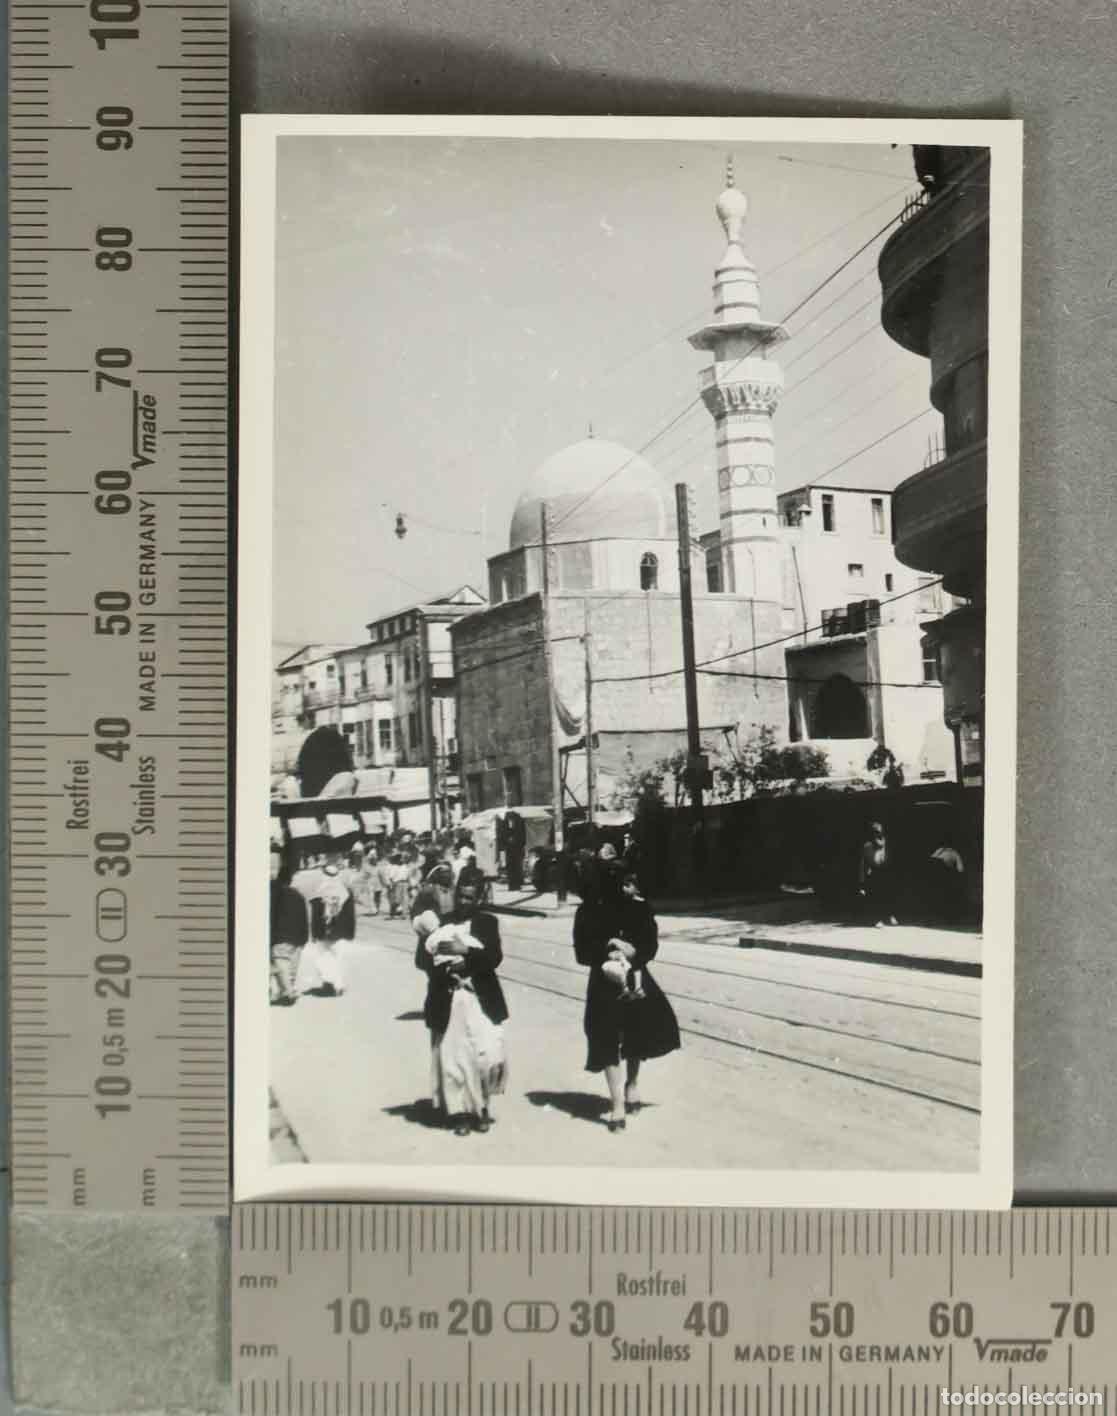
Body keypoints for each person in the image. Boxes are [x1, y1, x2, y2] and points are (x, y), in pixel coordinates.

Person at [573, 864, 680, 1132]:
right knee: (605, 1036)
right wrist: (604, 953)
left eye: (620, 883)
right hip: (603, 981)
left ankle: (631, 1084)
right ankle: (617, 1103)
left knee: (636, 1034)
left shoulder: (639, 908)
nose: (618, 889)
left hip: (635, 977)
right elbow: (582, 952)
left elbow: (650, 946)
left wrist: (633, 951)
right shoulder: (588, 911)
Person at [414, 868, 508, 1136]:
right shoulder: (442, 922)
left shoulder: (487, 923)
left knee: (486, 1053)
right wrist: (440, 959)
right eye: (461, 896)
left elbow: (494, 958)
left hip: (479, 997)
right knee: (453, 1056)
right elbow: (421, 960)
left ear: (478, 898)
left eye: (470, 898)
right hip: (449, 995)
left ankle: (482, 1106)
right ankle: (459, 1113)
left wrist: (466, 953)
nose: (464, 902)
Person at [301, 843, 356, 995]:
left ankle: (328, 981)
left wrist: (313, 932)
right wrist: (350, 932)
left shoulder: (317, 889)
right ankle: (337, 983)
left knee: (321, 955)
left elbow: (313, 913)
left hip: (323, 929)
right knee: (338, 956)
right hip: (340, 929)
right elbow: (350, 914)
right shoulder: (346, 890)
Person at [269, 841, 308, 1006]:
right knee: (290, 966)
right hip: (297, 937)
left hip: (281, 935)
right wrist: (304, 938)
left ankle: (288, 992)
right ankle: (287, 990)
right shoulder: (298, 895)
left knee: (280, 961)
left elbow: (271, 915)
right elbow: (305, 917)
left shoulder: (275, 893)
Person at [859, 820, 898, 927]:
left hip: (886, 872)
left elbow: (892, 859)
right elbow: (863, 864)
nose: (879, 834)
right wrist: (862, 883)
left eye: (880, 831)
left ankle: (890, 915)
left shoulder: (887, 843)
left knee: (888, 895)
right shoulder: (867, 846)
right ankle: (876, 919)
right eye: (876, 832)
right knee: (875, 898)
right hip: (874, 874)